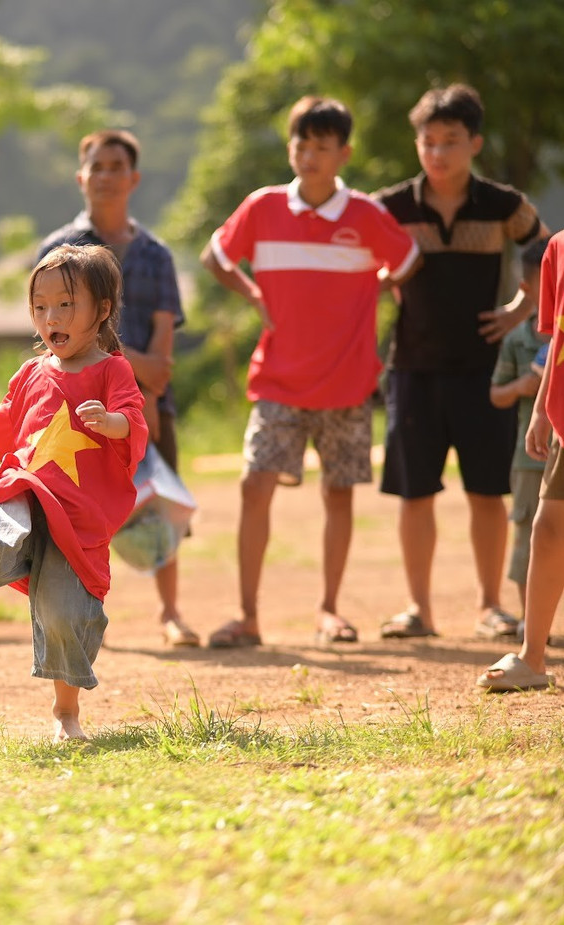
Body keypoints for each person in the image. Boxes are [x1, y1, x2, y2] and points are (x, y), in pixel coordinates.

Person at [200, 96, 419, 648]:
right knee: (254, 485)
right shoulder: (263, 206)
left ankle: (329, 611)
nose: (309, 155)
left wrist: (373, 288)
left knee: (339, 494)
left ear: (344, 153)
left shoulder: (365, 214)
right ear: (290, 147)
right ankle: (247, 616)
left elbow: (409, 259)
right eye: (301, 144)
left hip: (348, 381)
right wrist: (253, 293)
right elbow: (215, 257)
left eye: (322, 147)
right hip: (277, 379)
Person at [0, 244, 147, 742]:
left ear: (102, 310)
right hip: (25, 487)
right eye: (40, 306)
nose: (50, 317)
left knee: (64, 613)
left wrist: (112, 421)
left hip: (76, 517)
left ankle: (66, 711)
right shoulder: (32, 373)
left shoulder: (112, 370)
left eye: (66, 305)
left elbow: (133, 420)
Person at [375, 83, 549, 640]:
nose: (438, 152)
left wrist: (522, 309)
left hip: (485, 370)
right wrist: (382, 280)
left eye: (450, 140)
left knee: (487, 491)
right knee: (415, 492)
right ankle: (418, 610)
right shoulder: (389, 207)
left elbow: (548, 256)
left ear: (474, 143)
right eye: (428, 141)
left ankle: (490, 606)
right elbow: (359, 263)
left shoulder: (503, 205)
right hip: (413, 367)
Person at [37, 128, 196, 647]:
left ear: (134, 178)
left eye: (116, 167)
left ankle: (170, 612)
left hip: (148, 408)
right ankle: (78, 615)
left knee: (158, 510)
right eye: (96, 167)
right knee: (75, 515)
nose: (106, 176)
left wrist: (135, 391)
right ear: (80, 177)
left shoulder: (156, 255)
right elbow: (52, 341)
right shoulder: (57, 252)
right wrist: (130, 369)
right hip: (71, 411)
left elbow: (163, 363)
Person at [477, 231, 564, 692]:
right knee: (546, 530)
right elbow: (558, 339)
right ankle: (533, 658)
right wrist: (543, 407)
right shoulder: (558, 250)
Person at [489, 239, 553, 626]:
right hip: (530, 459)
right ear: (527, 288)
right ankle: (533, 626)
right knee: (529, 537)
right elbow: (496, 394)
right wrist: (520, 387)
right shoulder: (517, 339)